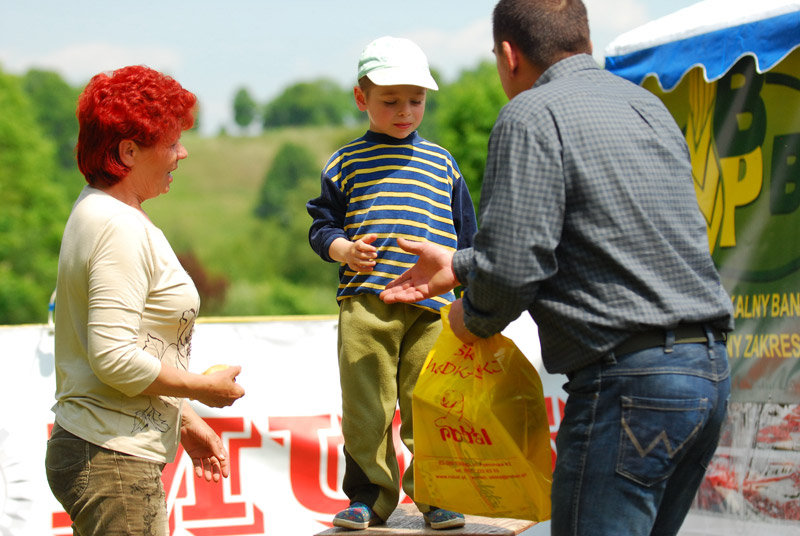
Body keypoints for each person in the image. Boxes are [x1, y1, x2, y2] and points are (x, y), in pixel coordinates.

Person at [380, 1, 735, 534]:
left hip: (627, 381)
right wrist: (458, 263)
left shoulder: (531, 114)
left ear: (508, 55)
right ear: (585, 40)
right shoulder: (646, 106)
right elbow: (600, 236)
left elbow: (515, 267)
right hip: (707, 373)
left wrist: (471, 317)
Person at [45, 65, 246, 536]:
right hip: (112, 457)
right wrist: (200, 388)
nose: (183, 152)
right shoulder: (118, 226)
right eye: (172, 142)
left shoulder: (99, 209)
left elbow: (124, 347)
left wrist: (184, 418)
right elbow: (114, 358)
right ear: (128, 151)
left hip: (101, 447)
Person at [307, 36, 478, 530]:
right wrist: (344, 250)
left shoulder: (443, 163)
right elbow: (322, 227)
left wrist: (473, 301)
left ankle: (436, 495)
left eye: (416, 100)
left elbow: (469, 238)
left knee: (432, 403)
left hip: (434, 307)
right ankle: (370, 498)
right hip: (365, 303)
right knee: (367, 408)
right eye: (390, 101)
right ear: (361, 98)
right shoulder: (345, 162)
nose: (405, 111)